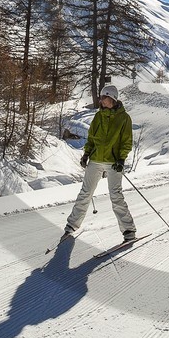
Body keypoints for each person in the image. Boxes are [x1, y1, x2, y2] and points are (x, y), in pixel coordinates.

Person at [64, 85, 137, 242]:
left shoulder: (124, 118)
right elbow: (91, 138)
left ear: (112, 98)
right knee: (85, 193)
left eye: (104, 97)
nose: (101, 100)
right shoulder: (98, 116)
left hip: (113, 162)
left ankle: (128, 230)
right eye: (101, 97)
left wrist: (121, 159)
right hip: (96, 159)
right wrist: (86, 154)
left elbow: (126, 141)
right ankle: (71, 225)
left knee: (116, 195)